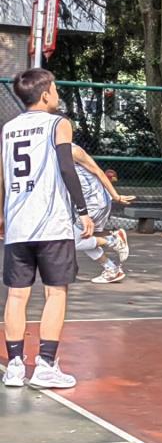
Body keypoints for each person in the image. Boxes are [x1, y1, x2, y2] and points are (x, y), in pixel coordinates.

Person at [1, 69, 94, 389]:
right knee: (55, 293)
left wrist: (1, 214)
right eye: (55, 89)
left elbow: (2, 175)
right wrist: (83, 211)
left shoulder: (8, 128)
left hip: (18, 224)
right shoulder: (58, 124)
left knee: (16, 295)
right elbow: (67, 167)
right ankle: (45, 364)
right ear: (45, 95)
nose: (57, 94)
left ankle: (15, 366)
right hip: (51, 224)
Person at [71, 145, 132, 284]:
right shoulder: (52, 152)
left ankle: (113, 240)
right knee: (85, 237)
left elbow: (98, 172)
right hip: (87, 202)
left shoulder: (73, 151)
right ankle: (111, 270)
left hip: (93, 203)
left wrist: (116, 196)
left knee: (73, 241)